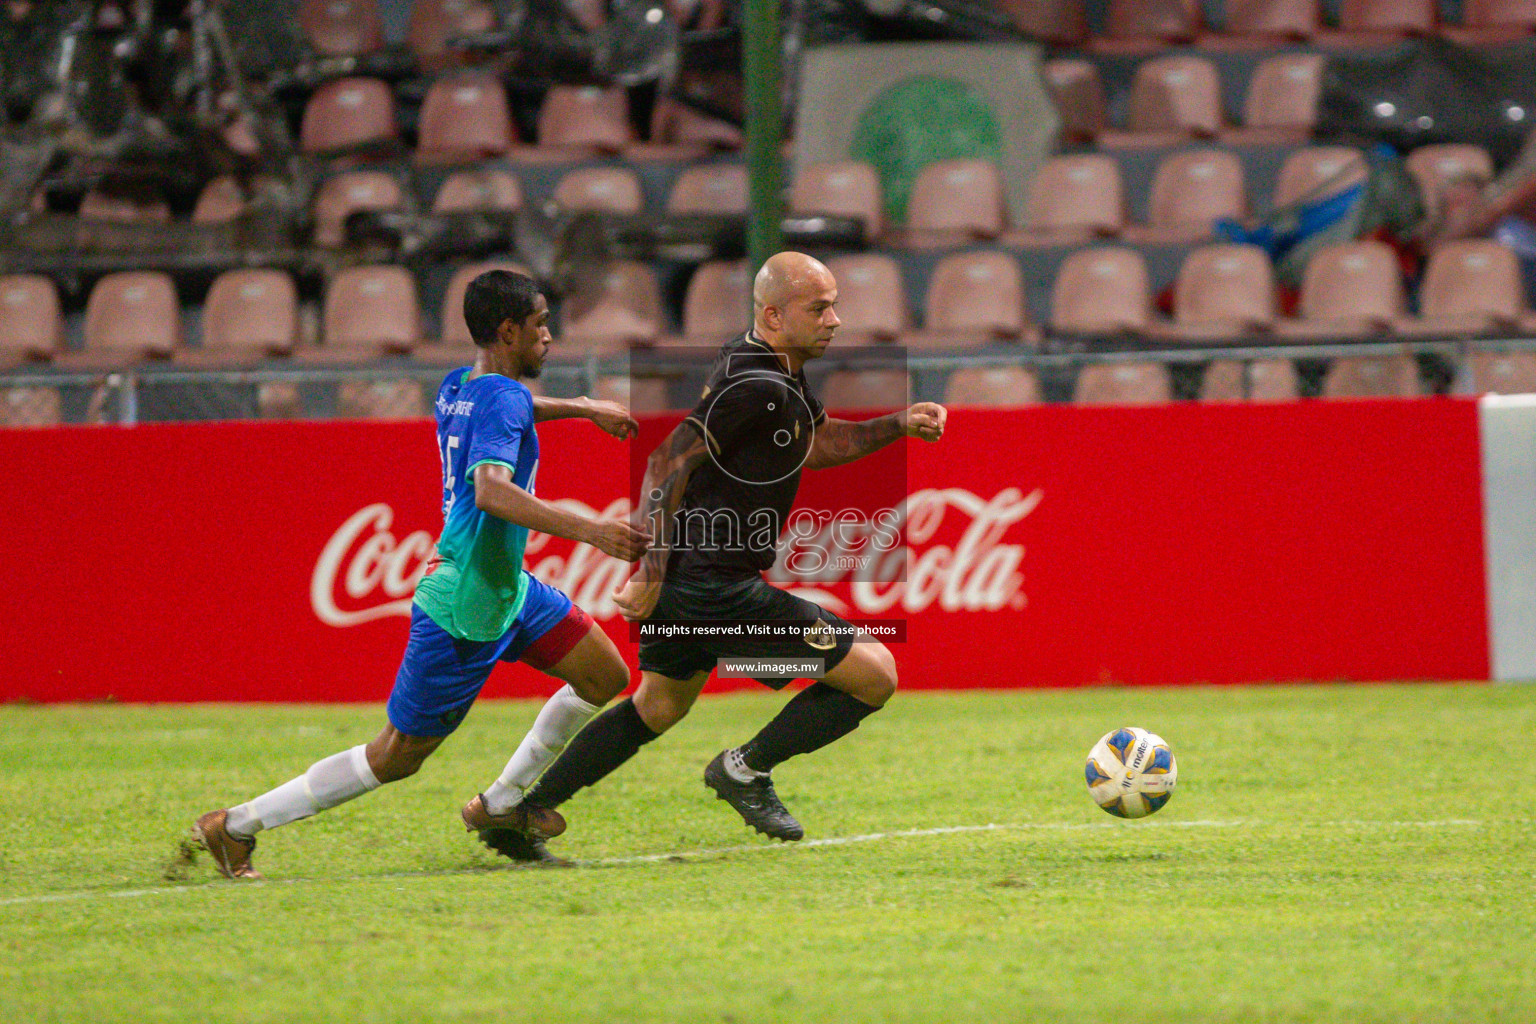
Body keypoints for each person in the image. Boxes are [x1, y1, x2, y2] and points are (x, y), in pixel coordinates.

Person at [177, 269, 651, 879]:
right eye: (539, 326)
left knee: (602, 674)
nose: (549, 337)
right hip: (464, 604)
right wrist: (593, 531)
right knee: (395, 757)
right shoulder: (499, 398)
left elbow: (515, 408)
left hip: (508, 591)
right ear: (508, 331)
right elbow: (491, 492)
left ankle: (504, 804)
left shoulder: (461, 385)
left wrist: (582, 408)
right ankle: (235, 827)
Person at [485, 251, 947, 861]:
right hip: (713, 585)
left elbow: (817, 443)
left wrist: (896, 425)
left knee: (659, 705)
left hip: (695, 582)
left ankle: (522, 814)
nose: (835, 318)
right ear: (775, 316)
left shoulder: (773, 366)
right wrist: (648, 572)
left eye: (835, 304)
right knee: (875, 673)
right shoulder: (755, 384)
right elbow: (666, 459)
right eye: (820, 307)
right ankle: (745, 769)